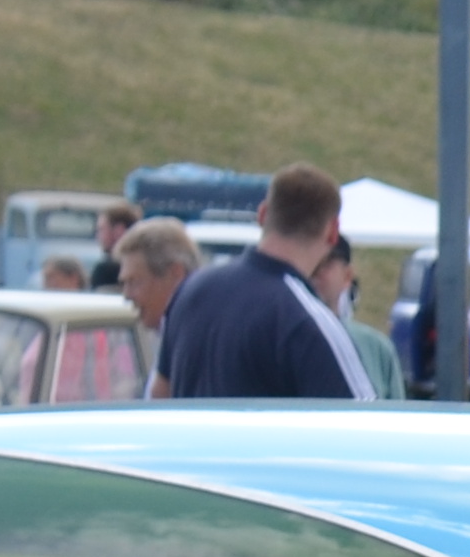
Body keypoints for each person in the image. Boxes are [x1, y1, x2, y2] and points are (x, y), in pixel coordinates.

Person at [154, 165, 373, 402]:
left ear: (262, 214)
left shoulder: (189, 292)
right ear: (332, 232)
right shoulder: (307, 321)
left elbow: (159, 395)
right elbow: (363, 422)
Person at [310, 234, 406, 399]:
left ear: (347, 276)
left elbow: (396, 417)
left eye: (325, 264)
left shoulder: (376, 347)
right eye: (308, 264)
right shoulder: (278, 341)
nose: (313, 273)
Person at [113, 219, 199, 377]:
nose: (127, 295)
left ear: (176, 274)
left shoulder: (198, 346)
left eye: (135, 282)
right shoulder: (159, 339)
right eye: (124, 284)